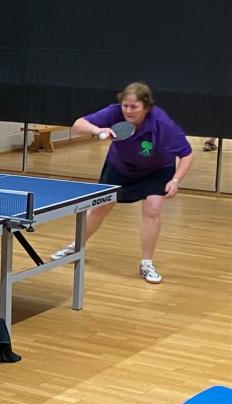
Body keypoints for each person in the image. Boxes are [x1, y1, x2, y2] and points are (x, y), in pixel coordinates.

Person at [51, 82, 194, 284]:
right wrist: (97, 128)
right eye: (125, 105)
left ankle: (147, 263)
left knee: (152, 209)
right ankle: (75, 246)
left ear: (146, 106)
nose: (128, 110)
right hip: (120, 167)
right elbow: (77, 125)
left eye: (134, 107)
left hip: (157, 170)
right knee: (100, 208)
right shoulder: (114, 112)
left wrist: (176, 180)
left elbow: (187, 154)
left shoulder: (162, 124)